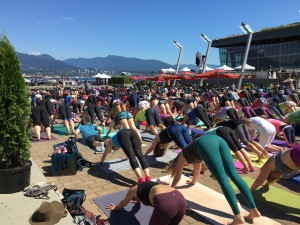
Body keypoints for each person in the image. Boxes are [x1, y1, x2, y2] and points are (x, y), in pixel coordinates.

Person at [166, 135, 261, 225]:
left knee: (222, 179)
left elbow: (178, 175)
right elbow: (197, 170)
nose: (186, 165)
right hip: (219, 140)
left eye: (185, 165)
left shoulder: (181, 156)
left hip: (204, 143)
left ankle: (237, 216)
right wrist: (193, 181)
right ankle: (254, 210)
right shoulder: (194, 153)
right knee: (235, 175)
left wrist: (172, 188)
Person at [106, 181, 186, 225]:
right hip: (181, 199)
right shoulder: (148, 186)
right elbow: (134, 210)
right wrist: (138, 201)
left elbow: (123, 203)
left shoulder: (132, 190)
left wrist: (115, 208)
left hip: (167, 204)